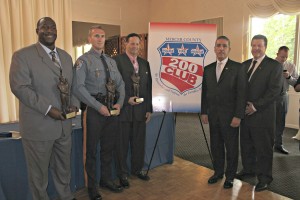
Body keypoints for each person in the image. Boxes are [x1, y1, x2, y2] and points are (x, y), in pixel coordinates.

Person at [9, 17, 77, 200]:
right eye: (44, 27)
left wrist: (74, 105)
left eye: (52, 27)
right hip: (39, 126)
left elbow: (73, 86)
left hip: (64, 126)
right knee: (38, 176)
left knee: (64, 169)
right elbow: (20, 87)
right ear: (36, 30)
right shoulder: (22, 56)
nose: (49, 30)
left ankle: (66, 196)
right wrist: (49, 109)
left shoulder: (66, 56)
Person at [72, 25, 125, 200]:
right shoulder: (83, 61)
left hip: (111, 110)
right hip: (93, 111)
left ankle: (106, 179)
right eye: (96, 36)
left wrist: (119, 103)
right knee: (91, 151)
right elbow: (78, 88)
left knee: (108, 148)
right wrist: (97, 106)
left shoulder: (111, 61)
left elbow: (121, 84)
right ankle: (92, 187)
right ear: (89, 39)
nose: (100, 39)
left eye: (102, 36)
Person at [236, 35, 283, 192]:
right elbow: (240, 88)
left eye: (259, 45)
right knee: (246, 144)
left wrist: (255, 106)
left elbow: (275, 91)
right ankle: (248, 169)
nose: (256, 48)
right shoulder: (245, 65)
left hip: (262, 115)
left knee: (263, 148)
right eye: (253, 45)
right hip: (245, 114)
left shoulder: (274, 66)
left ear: (265, 47)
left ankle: (264, 178)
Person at [201, 36, 246, 189]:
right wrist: (204, 112)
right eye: (218, 46)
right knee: (216, 146)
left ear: (229, 49)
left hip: (231, 117)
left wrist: (238, 115)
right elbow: (204, 93)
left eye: (224, 46)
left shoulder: (238, 68)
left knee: (231, 148)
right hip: (213, 116)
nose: (221, 48)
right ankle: (218, 172)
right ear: (214, 48)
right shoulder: (207, 69)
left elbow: (242, 94)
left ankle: (230, 176)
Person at [114, 33, 153, 188]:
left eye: (137, 44)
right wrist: (125, 100)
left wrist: (149, 109)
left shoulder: (145, 63)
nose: (135, 46)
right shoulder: (117, 61)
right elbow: (113, 85)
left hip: (141, 111)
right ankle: (122, 174)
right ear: (125, 44)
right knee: (122, 145)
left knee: (139, 143)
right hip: (124, 111)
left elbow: (148, 87)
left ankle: (137, 170)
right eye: (132, 43)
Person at [274, 46, 298, 154]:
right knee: (268, 122)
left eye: (286, 57)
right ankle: (266, 145)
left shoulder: (291, 66)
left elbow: (296, 84)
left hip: (284, 96)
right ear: (277, 53)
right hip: (270, 97)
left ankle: (278, 145)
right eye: (282, 56)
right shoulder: (269, 65)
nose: (283, 59)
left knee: (281, 122)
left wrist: (288, 77)